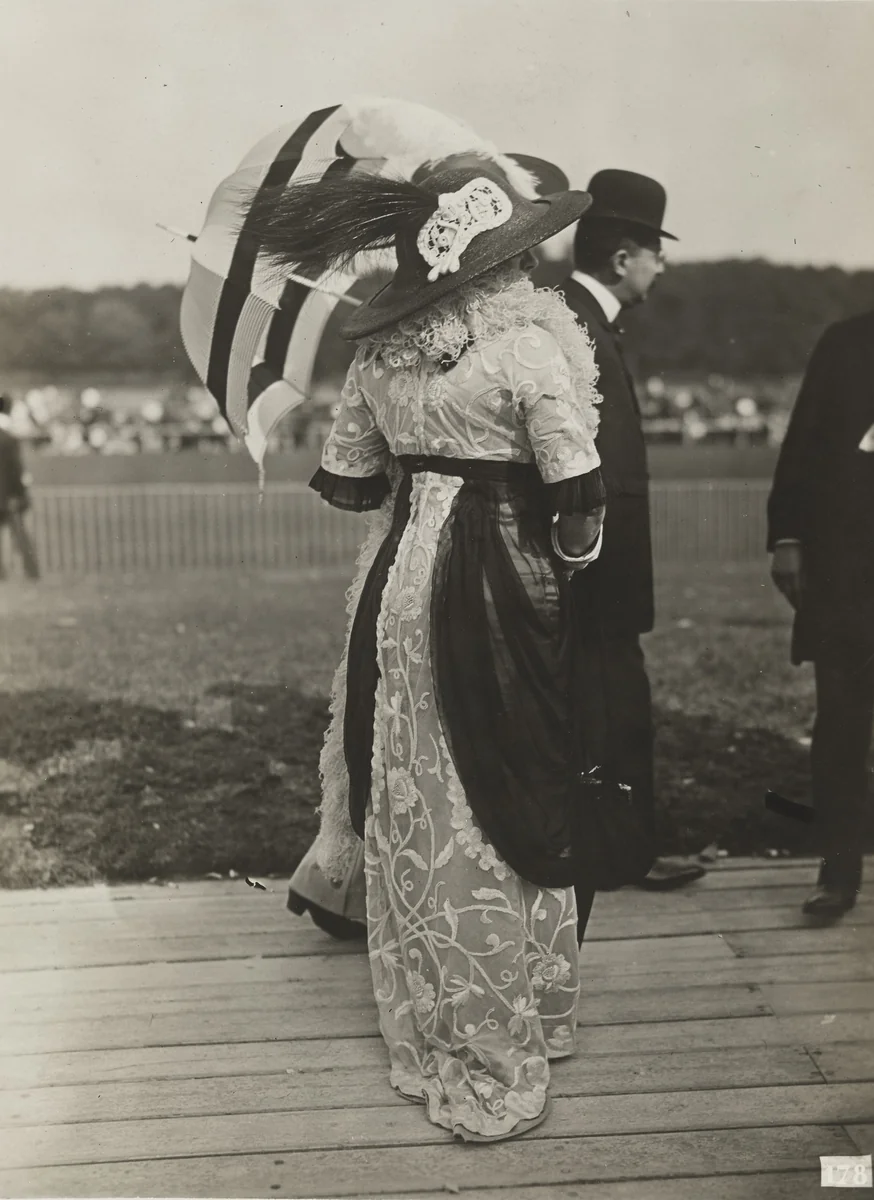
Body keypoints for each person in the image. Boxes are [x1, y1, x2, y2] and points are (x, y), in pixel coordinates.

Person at [248, 154, 608, 1140]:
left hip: (396, 587)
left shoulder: (382, 355)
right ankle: (515, 1025)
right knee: (503, 785)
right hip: (496, 586)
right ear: (505, 257)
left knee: (416, 799)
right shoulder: (533, 349)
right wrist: (570, 548)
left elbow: (353, 475)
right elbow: (577, 495)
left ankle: (441, 1029)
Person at [560, 170, 704, 941]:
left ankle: (623, 844)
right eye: (655, 253)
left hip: (600, 569)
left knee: (616, 708)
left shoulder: (586, 318)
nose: (661, 268)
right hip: (593, 572)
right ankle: (617, 850)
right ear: (623, 257)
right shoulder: (579, 323)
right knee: (609, 709)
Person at [768, 309, 874, 919]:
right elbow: (805, 441)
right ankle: (838, 874)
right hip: (852, 573)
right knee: (841, 723)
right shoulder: (849, 340)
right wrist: (787, 537)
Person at [0, 395, 39, 581]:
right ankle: (32, 572)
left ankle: (2, 575)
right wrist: (21, 494)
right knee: (20, 535)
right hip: (9, 497)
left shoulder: (8, 437)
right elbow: (15, 470)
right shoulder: (8, 438)